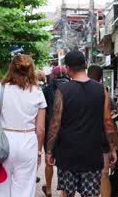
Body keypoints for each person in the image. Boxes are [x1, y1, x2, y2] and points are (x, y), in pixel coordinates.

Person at [46, 50, 117, 197]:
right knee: (90, 194)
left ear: (67, 68)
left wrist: (49, 150)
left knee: (66, 193)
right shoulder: (101, 90)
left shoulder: (63, 90)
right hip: (92, 152)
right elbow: (108, 122)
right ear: (85, 64)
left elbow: (55, 123)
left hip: (67, 153)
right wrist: (113, 149)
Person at [0, 54, 47, 197]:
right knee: (24, 190)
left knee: (0, 188)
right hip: (28, 141)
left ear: (11, 69)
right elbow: (41, 129)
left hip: (4, 142)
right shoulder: (37, 92)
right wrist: (39, 151)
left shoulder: (2, 88)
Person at [87, 64, 118, 197]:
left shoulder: (76, 90)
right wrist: (114, 147)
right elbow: (109, 121)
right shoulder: (103, 92)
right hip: (101, 141)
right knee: (103, 176)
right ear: (101, 78)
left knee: (88, 179)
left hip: (83, 141)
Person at [41, 65, 70, 197]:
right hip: (67, 131)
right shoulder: (72, 87)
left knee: (49, 160)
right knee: (65, 163)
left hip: (49, 130)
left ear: (53, 75)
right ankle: (63, 191)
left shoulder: (46, 90)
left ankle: (48, 189)